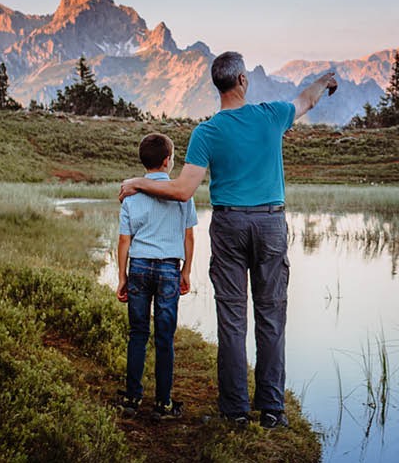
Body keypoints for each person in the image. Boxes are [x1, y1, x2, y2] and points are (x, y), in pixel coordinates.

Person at [119, 51, 337, 429]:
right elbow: (307, 99)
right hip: (269, 224)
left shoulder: (207, 132)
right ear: (242, 81)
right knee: (271, 317)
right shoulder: (271, 115)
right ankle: (272, 411)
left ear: (217, 85)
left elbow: (184, 190)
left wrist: (138, 182)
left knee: (232, 318)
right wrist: (325, 80)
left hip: (229, 226)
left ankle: (235, 411)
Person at [116, 133, 197, 420]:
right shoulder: (181, 194)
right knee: (165, 337)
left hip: (138, 266)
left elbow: (124, 241)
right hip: (167, 269)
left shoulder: (130, 196)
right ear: (167, 161)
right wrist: (185, 271)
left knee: (137, 333)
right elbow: (188, 237)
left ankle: (131, 399)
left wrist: (122, 276)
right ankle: (163, 403)